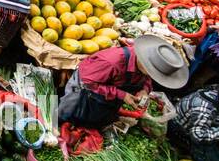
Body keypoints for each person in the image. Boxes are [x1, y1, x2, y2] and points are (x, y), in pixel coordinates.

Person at [57, 34, 190, 129]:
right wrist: (122, 95)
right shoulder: (111, 62)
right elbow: (88, 82)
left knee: (95, 121)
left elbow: (147, 79)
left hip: (107, 101)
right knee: (66, 118)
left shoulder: (147, 66)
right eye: (153, 74)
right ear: (145, 62)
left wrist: (145, 89)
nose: (153, 78)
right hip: (85, 93)